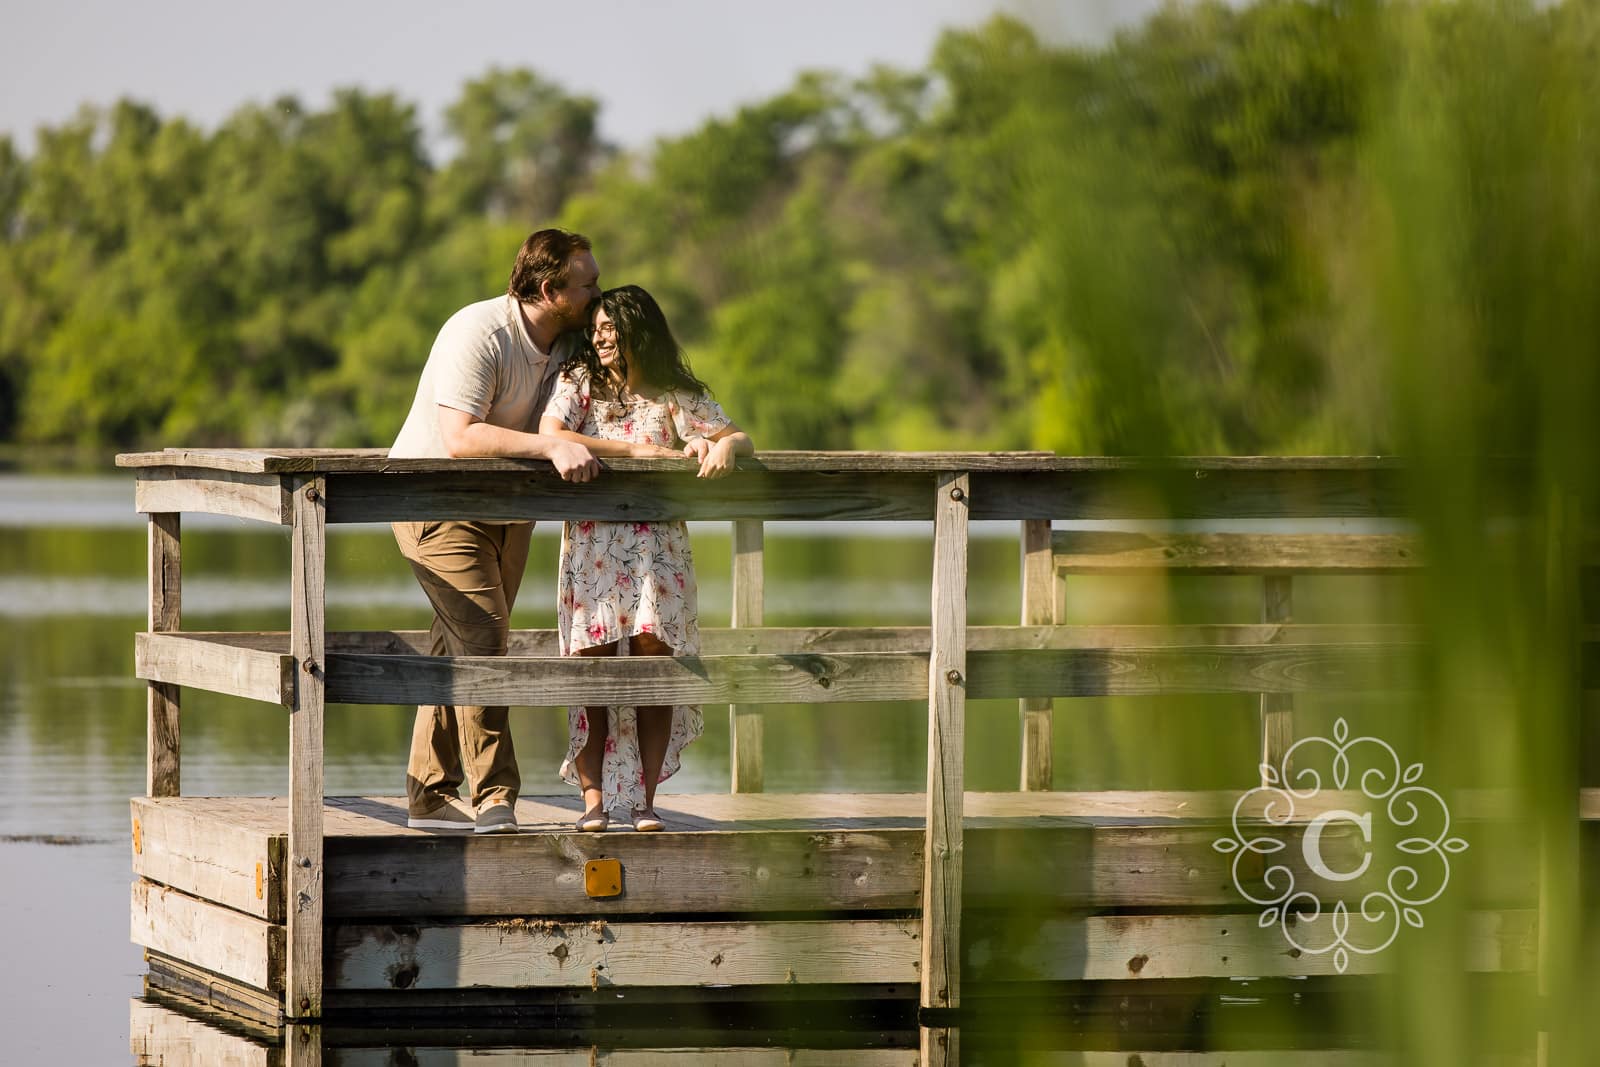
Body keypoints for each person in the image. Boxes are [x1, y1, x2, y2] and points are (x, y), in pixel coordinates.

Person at [388, 228, 603, 834]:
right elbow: (461, 436)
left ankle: (429, 795)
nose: (596, 293)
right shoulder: (480, 332)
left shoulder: (569, 342)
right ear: (548, 289)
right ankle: (495, 799)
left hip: (508, 514)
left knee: (460, 645)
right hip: (433, 504)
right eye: (586, 284)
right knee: (484, 641)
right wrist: (551, 446)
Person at [539, 285, 754, 832]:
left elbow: (736, 436)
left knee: (656, 667)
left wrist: (724, 446)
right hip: (593, 550)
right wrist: (635, 451)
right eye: (597, 328)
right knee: (592, 667)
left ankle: (645, 804)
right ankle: (593, 804)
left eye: (611, 327)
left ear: (639, 330)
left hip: (658, 555)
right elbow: (551, 433)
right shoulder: (580, 382)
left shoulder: (674, 392)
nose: (601, 337)